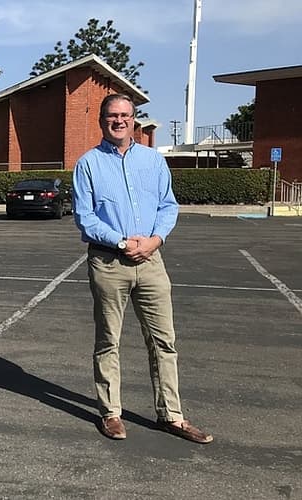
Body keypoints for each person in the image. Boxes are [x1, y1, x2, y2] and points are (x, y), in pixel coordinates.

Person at [72, 93, 213, 444]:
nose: (118, 121)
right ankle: (111, 413)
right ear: (102, 120)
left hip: (151, 261)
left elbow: (168, 206)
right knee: (108, 341)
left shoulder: (153, 161)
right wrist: (122, 242)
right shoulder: (88, 164)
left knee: (164, 341)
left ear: (134, 119)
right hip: (108, 262)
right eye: (111, 115)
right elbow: (84, 217)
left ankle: (172, 416)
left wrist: (155, 241)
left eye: (125, 115)